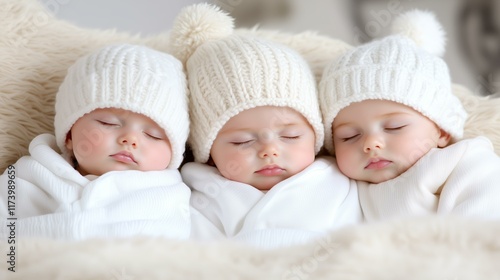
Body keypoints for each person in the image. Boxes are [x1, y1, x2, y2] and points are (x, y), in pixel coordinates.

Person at [169, 3, 362, 248]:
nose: (269, 150)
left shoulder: (337, 179)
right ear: (209, 155)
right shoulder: (202, 194)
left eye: (290, 136)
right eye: (243, 141)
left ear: (316, 138)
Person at [319, 10, 500, 222]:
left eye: (394, 127)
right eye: (349, 136)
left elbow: (484, 223)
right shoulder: (343, 185)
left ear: (441, 130)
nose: (371, 144)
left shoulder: (461, 161)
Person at [0, 44, 191, 240]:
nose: (130, 139)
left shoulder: (170, 196)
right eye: (108, 122)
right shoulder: (32, 174)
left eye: (153, 135)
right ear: (69, 136)